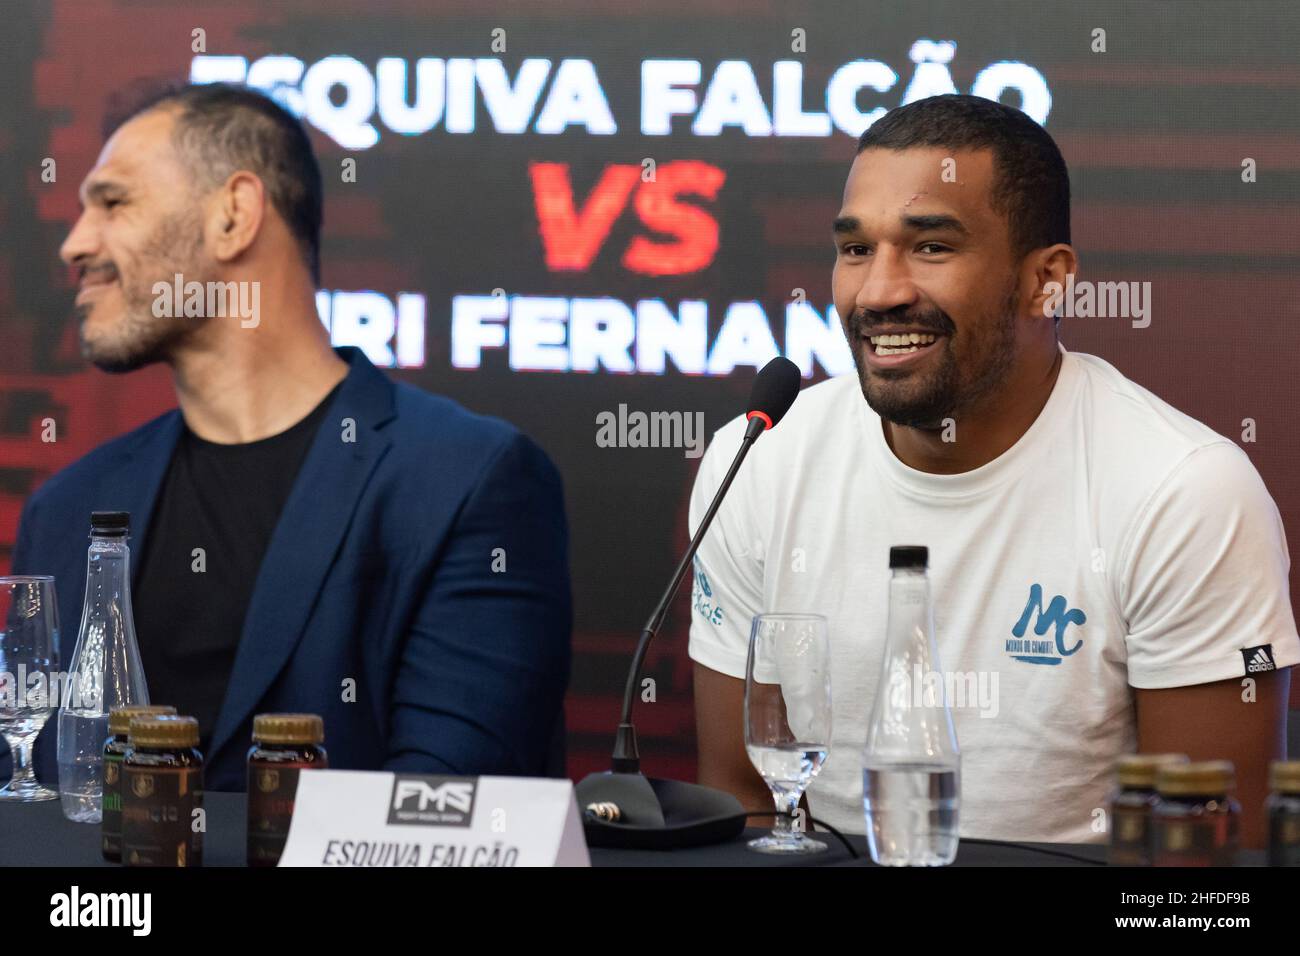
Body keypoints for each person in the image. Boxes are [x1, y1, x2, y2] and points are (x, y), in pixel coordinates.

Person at [689, 94, 1297, 848]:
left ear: (1047, 279)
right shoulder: (760, 459)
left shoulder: (1187, 491)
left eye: (932, 247)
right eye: (855, 250)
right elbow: (744, 805)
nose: (879, 292)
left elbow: (1204, 863)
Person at [9, 83, 571, 790]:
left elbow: (449, 818)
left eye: (113, 202)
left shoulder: (467, 481)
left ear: (234, 215)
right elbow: (28, 803)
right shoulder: (68, 508)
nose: (74, 244)